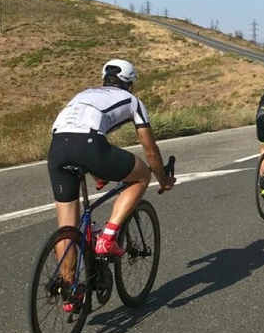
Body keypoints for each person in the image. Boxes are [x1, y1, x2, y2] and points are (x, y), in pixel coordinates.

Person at [47, 59, 175, 301]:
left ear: (104, 79)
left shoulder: (84, 94)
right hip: (89, 145)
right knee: (141, 177)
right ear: (131, 84)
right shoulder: (132, 101)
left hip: (57, 148)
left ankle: (70, 291)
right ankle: (107, 237)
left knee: (68, 229)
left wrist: (100, 171)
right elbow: (150, 151)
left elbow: (79, 132)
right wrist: (163, 180)